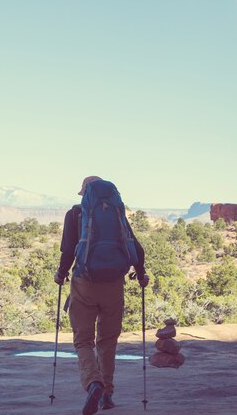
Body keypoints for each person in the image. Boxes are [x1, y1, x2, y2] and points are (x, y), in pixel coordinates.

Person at [55, 176, 149, 415]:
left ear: (85, 194)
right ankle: (107, 394)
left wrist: (60, 274)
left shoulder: (75, 213)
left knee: (83, 340)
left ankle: (93, 383)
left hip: (84, 282)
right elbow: (136, 247)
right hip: (114, 284)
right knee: (107, 341)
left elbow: (68, 250)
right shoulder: (117, 213)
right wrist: (140, 275)